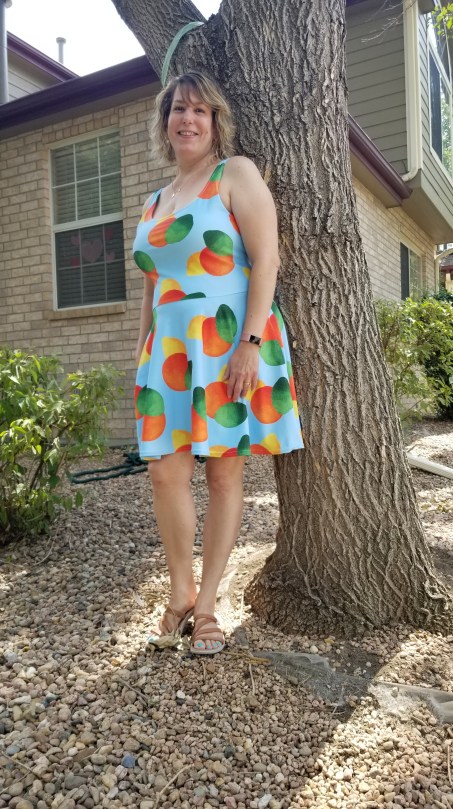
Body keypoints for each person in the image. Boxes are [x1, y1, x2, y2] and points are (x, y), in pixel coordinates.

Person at [133, 71, 304, 656]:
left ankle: (206, 606)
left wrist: (250, 343)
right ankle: (180, 592)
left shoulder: (235, 174)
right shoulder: (154, 201)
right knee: (165, 473)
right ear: (165, 123)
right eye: (178, 110)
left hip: (228, 341)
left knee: (224, 474)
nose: (188, 119)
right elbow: (153, 285)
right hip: (169, 352)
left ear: (214, 122)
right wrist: (142, 353)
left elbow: (267, 259)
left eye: (199, 110)